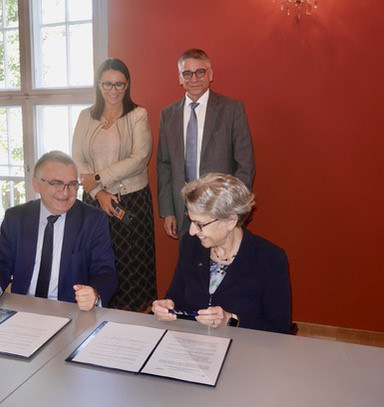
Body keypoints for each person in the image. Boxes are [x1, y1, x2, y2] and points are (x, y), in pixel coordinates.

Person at [0, 151, 118, 311]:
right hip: (22, 310)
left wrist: (94, 293)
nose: (66, 191)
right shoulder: (17, 217)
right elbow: (0, 261)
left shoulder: (93, 220)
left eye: (72, 184)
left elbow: (106, 271)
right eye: (56, 183)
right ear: (36, 184)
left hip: (70, 312)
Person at [152, 173, 291, 334]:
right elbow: (177, 295)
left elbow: (279, 329)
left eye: (200, 224)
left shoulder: (269, 259)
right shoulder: (191, 245)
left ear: (230, 221)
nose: (191, 231)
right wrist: (168, 305)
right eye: (191, 221)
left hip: (245, 349)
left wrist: (230, 320)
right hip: (194, 344)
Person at [72, 58, 156, 312]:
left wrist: (98, 179)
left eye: (119, 84)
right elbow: (78, 158)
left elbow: (140, 158)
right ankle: (97, 312)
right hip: (93, 202)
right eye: (107, 84)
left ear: (127, 85)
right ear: (99, 85)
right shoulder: (85, 116)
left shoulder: (137, 115)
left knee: (132, 267)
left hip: (131, 202)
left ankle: (135, 319)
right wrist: (99, 193)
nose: (113, 90)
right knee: (97, 261)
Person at [157, 48, 255, 239]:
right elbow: (164, 165)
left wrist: (234, 208)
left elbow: (245, 165)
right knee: (191, 265)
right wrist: (168, 210)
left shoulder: (231, 110)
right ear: (180, 78)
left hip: (222, 210)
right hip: (184, 210)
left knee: (223, 263)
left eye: (200, 72)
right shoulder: (168, 115)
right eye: (187, 73)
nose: (194, 78)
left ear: (210, 74)